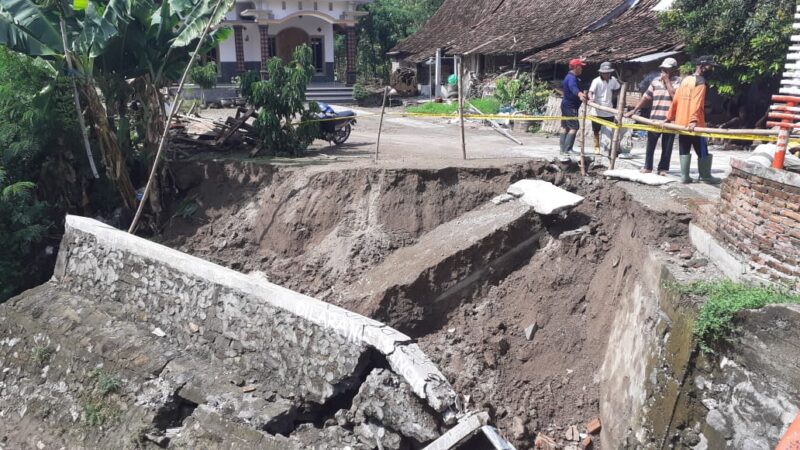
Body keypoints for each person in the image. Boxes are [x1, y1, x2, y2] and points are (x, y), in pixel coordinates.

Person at [666, 55, 721, 184]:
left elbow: (676, 100)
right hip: (695, 125)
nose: (711, 69)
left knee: (684, 147)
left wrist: (670, 117)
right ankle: (706, 175)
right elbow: (696, 103)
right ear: (702, 67)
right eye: (710, 67)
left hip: (681, 122)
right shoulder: (700, 82)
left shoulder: (685, 80)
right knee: (702, 148)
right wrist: (693, 120)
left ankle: (685, 176)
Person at [626, 57, 681, 175]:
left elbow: (675, 97)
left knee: (667, 146)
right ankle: (648, 166)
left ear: (674, 70)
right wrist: (634, 110)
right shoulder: (655, 81)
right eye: (663, 69)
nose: (664, 71)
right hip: (655, 118)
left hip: (670, 120)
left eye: (667, 69)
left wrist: (667, 81)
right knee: (650, 144)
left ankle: (663, 169)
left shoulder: (678, 82)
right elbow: (646, 97)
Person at [588, 62, 620, 154]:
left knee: (609, 130)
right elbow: (590, 92)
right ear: (601, 73)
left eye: (608, 73)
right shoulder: (596, 81)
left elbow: (618, 88)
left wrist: (614, 96)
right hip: (597, 110)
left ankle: (607, 148)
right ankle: (596, 147)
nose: (606, 74)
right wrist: (591, 98)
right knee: (596, 131)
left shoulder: (613, 80)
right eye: (604, 73)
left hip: (609, 110)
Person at [560, 58, 587, 155]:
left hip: (565, 104)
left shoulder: (570, 76)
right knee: (574, 127)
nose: (581, 69)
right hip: (570, 106)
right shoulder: (571, 78)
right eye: (580, 67)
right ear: (576, 67)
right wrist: (580, 94)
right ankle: (567, 150)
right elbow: (573, 87)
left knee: (565, 126)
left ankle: (562, 150)